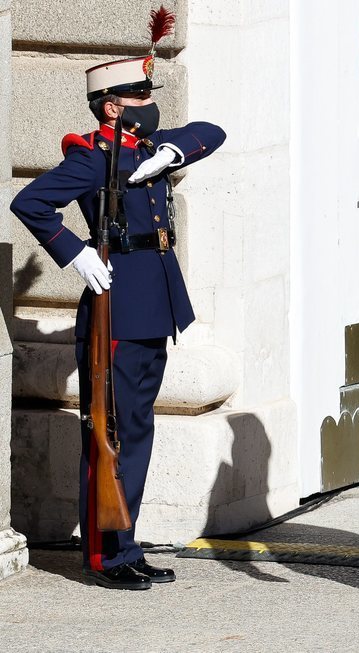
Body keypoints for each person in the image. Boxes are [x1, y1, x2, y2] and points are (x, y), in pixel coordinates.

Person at [9, 8, 225, 591]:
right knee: (111, 432)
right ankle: (105, 553)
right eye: (138, 96)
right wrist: (75, 253)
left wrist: (172, 154)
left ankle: (124, 541)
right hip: (117, 307)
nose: (149, 104)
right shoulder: (90, 157)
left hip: (152, 305)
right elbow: (30, 203)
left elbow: (211, 132)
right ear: (111, 106)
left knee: (137, 425)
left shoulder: (150, 147)